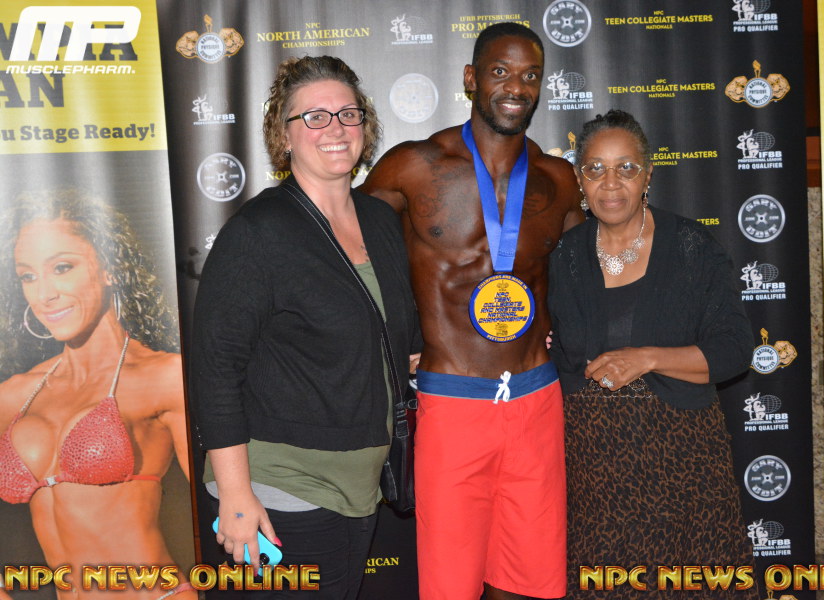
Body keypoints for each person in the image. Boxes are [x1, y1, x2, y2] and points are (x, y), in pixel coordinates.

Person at [361, 22, 583, 600]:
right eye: (500, 71)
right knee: (451, 582)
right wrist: (395, 338)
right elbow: (347, 251)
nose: (516, 87)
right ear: (471, 78)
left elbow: (585, 275)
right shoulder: (412, 166)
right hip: (453, 400)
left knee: (531, 581)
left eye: (530, 75)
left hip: (536, 397)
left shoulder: (559, 180)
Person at [189, 55, 419, 599]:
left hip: (360, 489)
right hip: (280, 492)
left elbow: (392, 340)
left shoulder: (381, 222)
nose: (335, 128)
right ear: (284, 135)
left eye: (348, 114)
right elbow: (215, 371)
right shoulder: (259, 232)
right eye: (314, 117)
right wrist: (236, 496)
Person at [548, 109, 756, 598]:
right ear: (579, 178)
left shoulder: (692, 247)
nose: (611, 183)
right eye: (596, 168)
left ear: (648, 175)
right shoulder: (563, 255)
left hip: (684, 467)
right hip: (593, 473)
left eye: (626, 167)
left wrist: (648, 358)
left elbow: (733, 350)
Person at [0, 189, 194, 599]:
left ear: (109, 268)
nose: (44, 294)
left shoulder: (163, 377)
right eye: (28, 276)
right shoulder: (14, 396)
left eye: (62, 268)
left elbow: (226, 506)